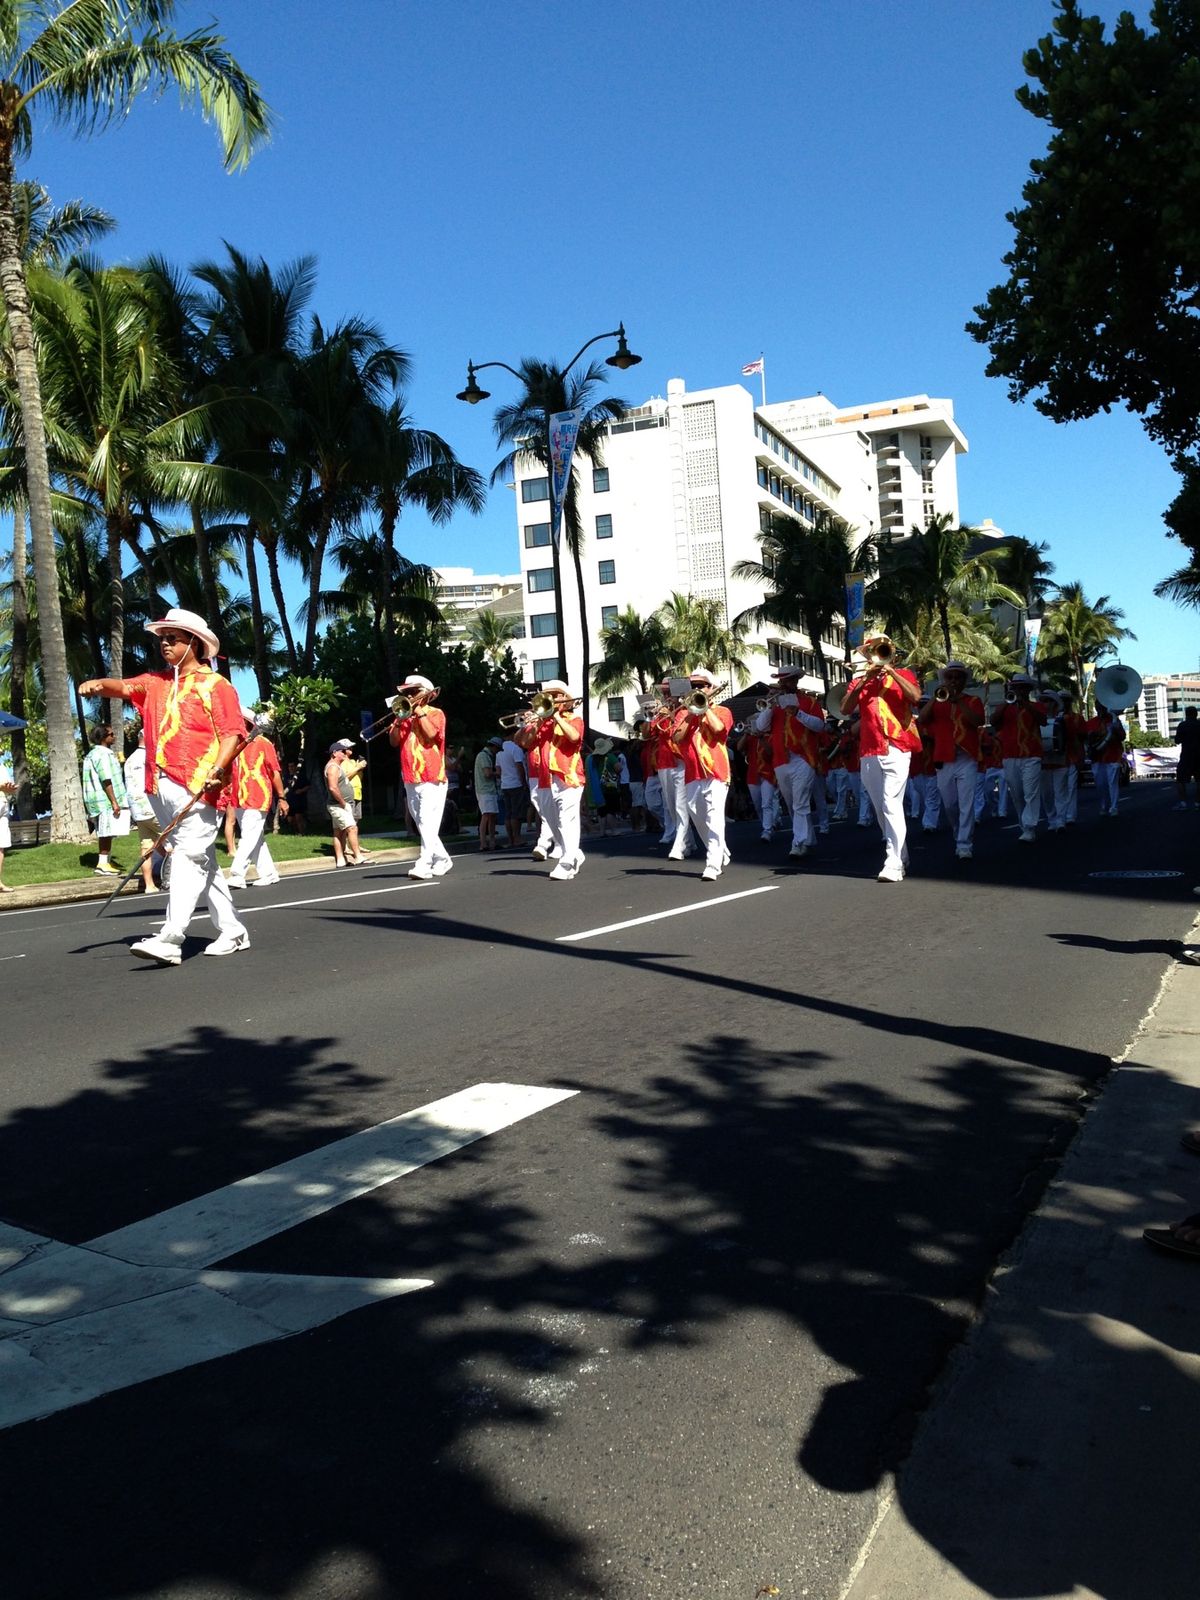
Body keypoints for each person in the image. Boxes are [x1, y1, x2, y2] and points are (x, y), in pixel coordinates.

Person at [78, 606, 250, 964]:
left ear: (195, 643)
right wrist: (99, 685)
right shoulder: (157, 683)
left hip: (200, 784)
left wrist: (217, 770)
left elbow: (234, 733)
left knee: (189, 855)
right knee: (203, 859)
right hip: (159, 785)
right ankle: (233, 931)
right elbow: (124, 687)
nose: (165, 644)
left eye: (173, 638)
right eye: (163, 639)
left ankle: (171, 937)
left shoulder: (216, 686)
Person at [839, 634, 921, 883]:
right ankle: (901, 855)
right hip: (869, 749)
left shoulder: (904, 674)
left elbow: (915, 697)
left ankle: (893, 862)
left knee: (890, 804)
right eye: (871, 652)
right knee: (880, 809)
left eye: (880, 650)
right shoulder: (859, 681)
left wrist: (891, 672)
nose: (875, 654)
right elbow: (844, 709)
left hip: (897, 746)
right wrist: (866, 679)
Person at [517, 679, 585, 881]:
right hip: (545, 778)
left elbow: (574, 737)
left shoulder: (574, 718)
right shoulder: (541, 723)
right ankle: (573, 853)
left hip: (569, 776)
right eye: (550, 696)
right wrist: (533, 723)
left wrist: (556, 717)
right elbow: (524, 743)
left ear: (566, 699)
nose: (553, 699)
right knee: (552, 822)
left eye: (557, 695)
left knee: (567, 819)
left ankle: (566, 862)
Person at [754, 668, 825, 859]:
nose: (783, 684)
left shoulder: (809, 701)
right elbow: (760, 727)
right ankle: (807, 838)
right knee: (793, 803)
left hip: (803, 758)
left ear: (795, 681)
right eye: (781, 681)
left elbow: (820, 726)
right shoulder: (775, 705)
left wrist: (798, 713)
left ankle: (798, 842)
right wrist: (769, 705)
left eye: (787, 681)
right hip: (780, 759)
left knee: (800, 802)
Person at [387, 674, 452, 880]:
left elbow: (432, 734)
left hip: (432, 774)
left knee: (426, 819)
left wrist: (418, 711)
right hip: (410, 775)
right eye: (406, 693)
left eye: (413, 692)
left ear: (425, 693)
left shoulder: (436, 713)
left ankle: (424, 863)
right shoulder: (403, 715)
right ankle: (442, 858)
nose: (409, 695)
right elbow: (393, 742)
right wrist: (398, 721)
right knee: (422, 822)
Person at [919, 662, 984, 860]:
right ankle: (958, 831)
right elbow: (921, 719)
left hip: (967, 758)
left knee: (967, 802)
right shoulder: (937, 702)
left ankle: (965, 843)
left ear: (964, 681)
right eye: (950, 677)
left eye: (958, 677)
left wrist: (958, 702)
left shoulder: (973, 700)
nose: (954, 681)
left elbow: (977, 722)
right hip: (944, 758)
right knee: (949, 804)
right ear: (944, 680)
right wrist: (935, 698)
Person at [673, 667, 734, 882]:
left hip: (716, 771)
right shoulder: (683, 712)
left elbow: (718, 730)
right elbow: (677, 737)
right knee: (698, 817)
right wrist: (691, 713)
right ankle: (720, 850)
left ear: (711, 688)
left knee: (714, 817)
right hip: (693, 773)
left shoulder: (722, 711)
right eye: (694, 686)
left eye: (701, 686)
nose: (697, 689)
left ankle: (712, 864)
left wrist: (704, 708)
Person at [225, 715, 287, 888]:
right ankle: (269, 873)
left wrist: (281, 797)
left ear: (246, 723)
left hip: (257, 795)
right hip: (239, 797)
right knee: (255, 837)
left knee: (248, 837)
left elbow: (274, 772)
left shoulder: (264, 743)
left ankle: (237, 874)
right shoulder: (234, 743)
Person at [991, 676, 1047, 841]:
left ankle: (1029, 827)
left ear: (1028, 690)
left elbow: (1043, 721)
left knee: (1030, 792)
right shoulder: (1005, 707)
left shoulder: (1037, 706)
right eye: (1016, 688)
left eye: (1022, 688)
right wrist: (1005, 705)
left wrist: (1027, 705)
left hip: (1032, 755)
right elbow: (994, 722)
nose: (1019, 691)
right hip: (1009, 755)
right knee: (1017, 794)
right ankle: (1024, 826)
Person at [81, 723, 130, 876]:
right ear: (103, 737)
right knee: (105, 831)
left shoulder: (92, 754)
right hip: (104, 800)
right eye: (111, 734)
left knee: (107, 831)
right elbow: (106, 779)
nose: (114, 736)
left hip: (96, 799)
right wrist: (114, 801)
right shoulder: (102, 755)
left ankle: (106, 860)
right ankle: (102, 864)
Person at [123, 727, 162, 894]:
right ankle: (172, 877)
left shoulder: (130, 760)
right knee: (175, 842)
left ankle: (149, 885)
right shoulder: (150, 758)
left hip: (137, 809)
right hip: (152, 806)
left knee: (146, 845)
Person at [1084, 702, 1126, 818]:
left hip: (1113, 755)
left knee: (1112, 783)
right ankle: (1104, 805)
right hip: (1097, 757)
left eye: (1102, 707)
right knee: (1100, 784)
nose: (1100, 709)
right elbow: (1086, 741)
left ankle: (1114, 807)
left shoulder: (1114, 720)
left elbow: (1122, 737)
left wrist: (1116, 728)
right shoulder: (1091, 723)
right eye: (1098, 707)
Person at [324, 740, 362, 867]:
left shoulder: (336, 766)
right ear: (335, 753)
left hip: (339, 804)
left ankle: (340, 860)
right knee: (352, 828)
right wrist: (343, 803)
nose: (345, 753)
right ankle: (358, 856)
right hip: (338, 805)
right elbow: (333, 788)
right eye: (342, 751)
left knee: (338, 832)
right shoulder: (333, 767)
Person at [495, 732, 528, 849]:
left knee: (508, 814)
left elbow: (498, 770)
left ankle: (510, 839)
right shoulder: (516, 749)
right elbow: (520, 767)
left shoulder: (499, 751)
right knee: (516, 813)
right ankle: (517, 837)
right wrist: (524, 782)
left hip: (505, 785)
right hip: (516, 784)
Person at [474, 736, 501, 851]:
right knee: (486, 816)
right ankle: (483, 843)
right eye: (497, 749)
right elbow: (487, 773)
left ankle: (491, 842)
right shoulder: (484, 756)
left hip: (488, 790)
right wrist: (498, 772)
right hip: (485, 790)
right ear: (493, 747)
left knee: (491, 816)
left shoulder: (485, 755)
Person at [1174, 706, 1200, 809]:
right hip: (1199, 755)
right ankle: (1198, 802)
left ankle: (1183, 802)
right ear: (1196, 714)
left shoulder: (1182, 725)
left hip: (1186, 755)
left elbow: (1177, 740)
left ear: (1186, 714)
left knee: (1180, 780)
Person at [0, 737, 14, 892]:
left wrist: (9, 788)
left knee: (1, 845)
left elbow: (5, 785)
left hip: (3, 804)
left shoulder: (2, 766)